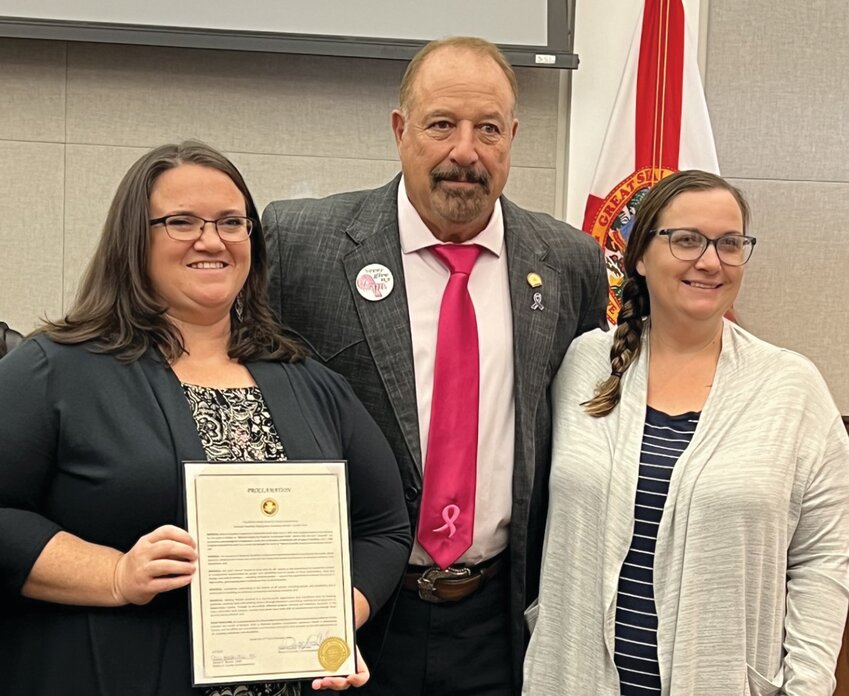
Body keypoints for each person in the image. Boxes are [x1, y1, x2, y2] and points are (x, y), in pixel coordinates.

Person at [262, 37, 608, 696]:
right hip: (353, 614)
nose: (464, 152)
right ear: (400, 130)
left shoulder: (568, 262)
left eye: (487, 130)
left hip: (499, 621)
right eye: (441, 124)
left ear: (511, 137)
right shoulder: (299, 244)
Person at [0, 142, 411, 696]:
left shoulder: (309, 380)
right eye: (181, 222)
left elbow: (383, 528)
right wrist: (116, 575)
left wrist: (332, 620)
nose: (211, 240)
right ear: (133, 239)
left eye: (230, 223)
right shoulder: (54, 368)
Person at [523, 170, 849, 695]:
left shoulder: (792, 388)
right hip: (574, 675)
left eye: (730, 243)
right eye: (687, 239)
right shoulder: (583, 364)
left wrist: (807, 687)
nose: (710, 260)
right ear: (641, 257)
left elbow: (824, 559)